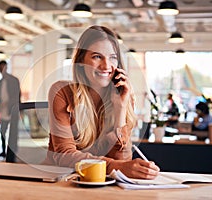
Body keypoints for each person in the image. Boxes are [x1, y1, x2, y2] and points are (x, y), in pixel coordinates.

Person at [43, 25, 160, 179]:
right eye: (97, 57)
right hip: (58, 180)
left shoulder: (124, 96)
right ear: (81, 60)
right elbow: (64, 155)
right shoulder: (62, 92)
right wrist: (115, 166)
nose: (106, 66)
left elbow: (122, 162)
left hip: (100, 183)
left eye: (112, 57)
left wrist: (120, 108)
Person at [0, 60, 20, 159]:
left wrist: (10, 104)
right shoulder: (0, 82)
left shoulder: (14, 80)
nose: (1, 70)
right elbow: (1, 96)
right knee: (2, 131)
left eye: (3, 67)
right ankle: (3, 151)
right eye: (0, 68)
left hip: (12, 110)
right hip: (3, 111)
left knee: (13, 132)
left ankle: (13, 153)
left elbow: (16, 96)